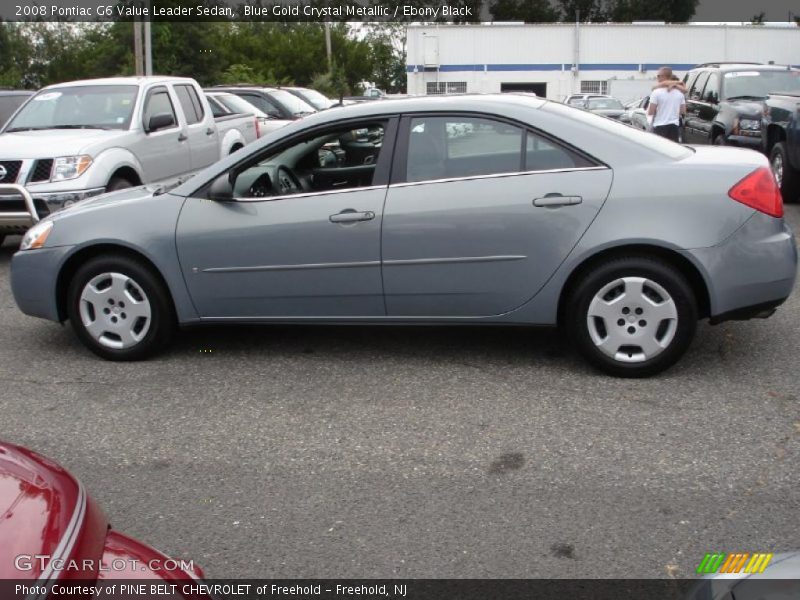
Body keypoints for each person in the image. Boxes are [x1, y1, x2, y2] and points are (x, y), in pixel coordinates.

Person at [647, 67, 686, 142]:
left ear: (664, 77)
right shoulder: (680, 93)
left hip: (659, 126)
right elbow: (683, 111)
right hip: (674, 127)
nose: (657, 78)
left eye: (659, 76)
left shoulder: (656, 92)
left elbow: (651, 112)